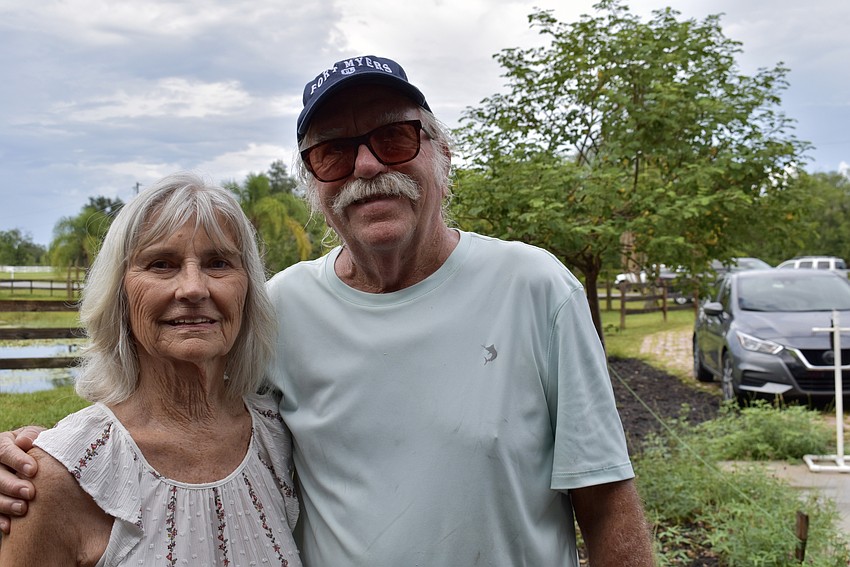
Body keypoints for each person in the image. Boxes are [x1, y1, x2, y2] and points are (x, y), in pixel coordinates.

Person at [0, 55, 654, 566]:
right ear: (312, 181)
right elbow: (178, 412)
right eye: (333, 150)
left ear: (442, 151)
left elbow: (607, 504)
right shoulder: (283, 307)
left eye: (395, 137)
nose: (367, 165)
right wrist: (46, 454)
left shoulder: (537, 288)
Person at [0, 173, 301, 566]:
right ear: (120, 295)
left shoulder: (280, 439)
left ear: (247, 291)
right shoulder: (58, 479)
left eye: (218, 263)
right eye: (162, 264)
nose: (194, 288)